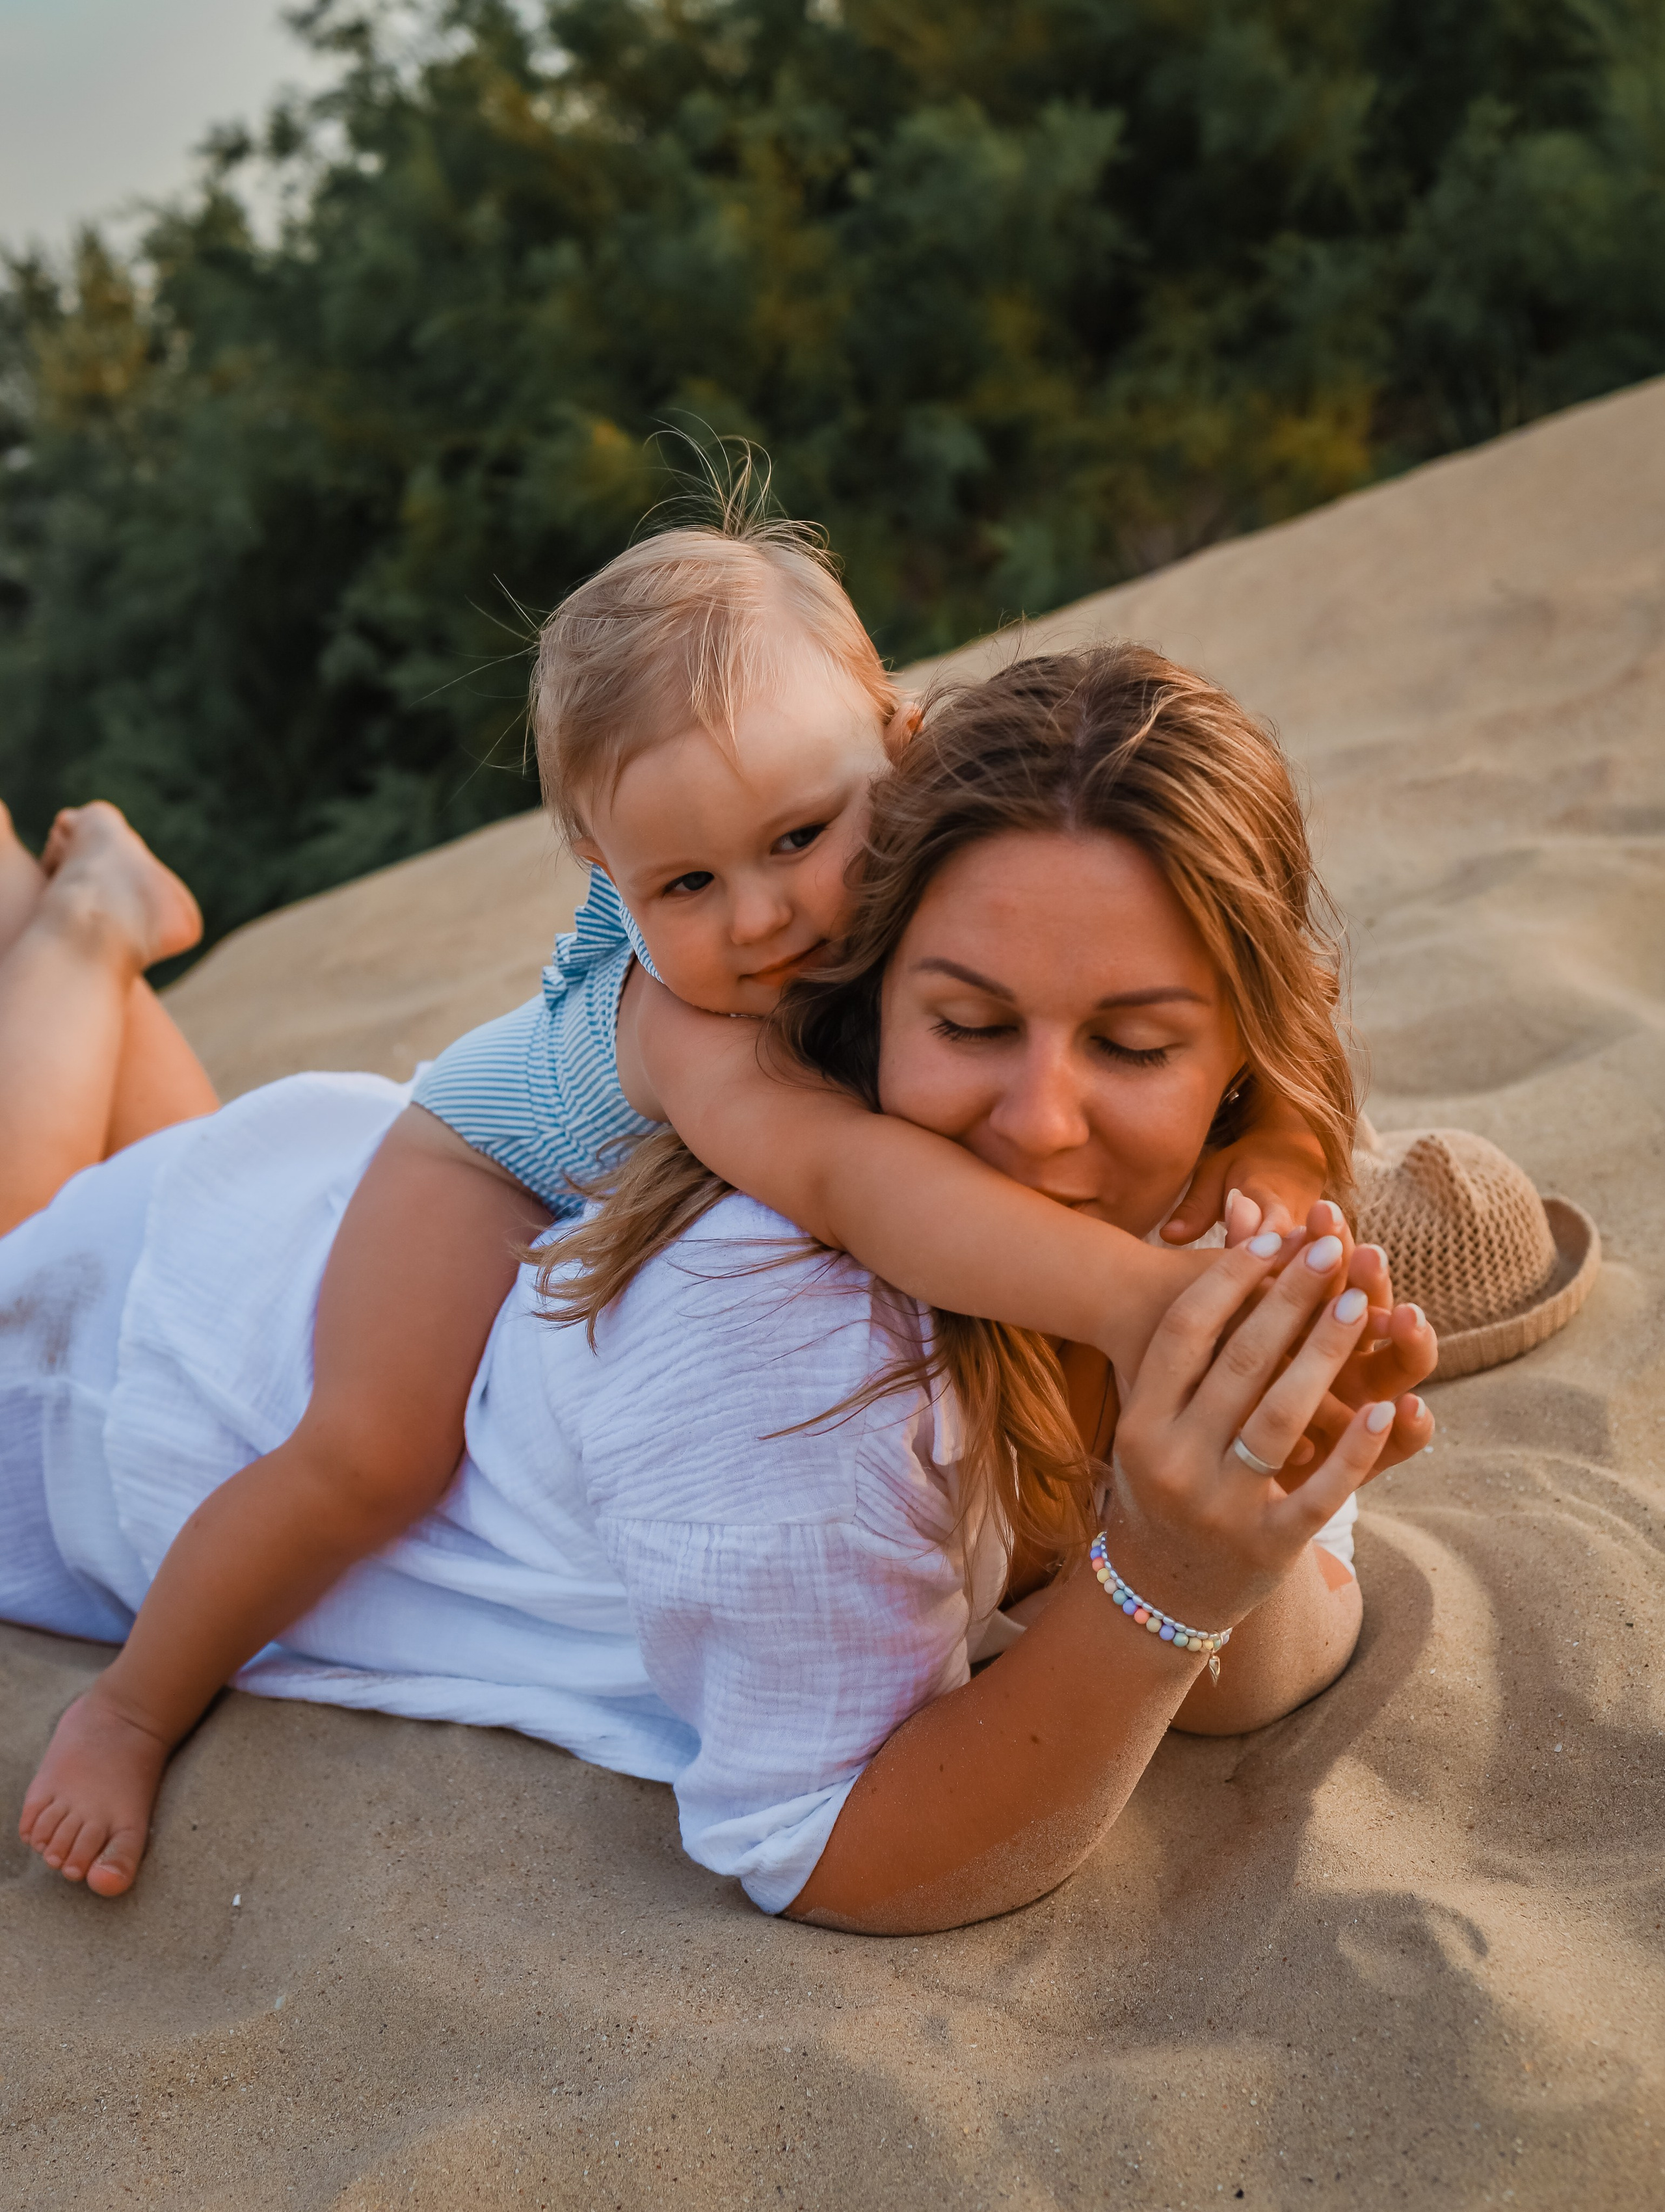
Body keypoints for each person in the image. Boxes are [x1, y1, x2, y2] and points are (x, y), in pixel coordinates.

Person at [5, 641, 1435, 1934]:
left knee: (159, 1162)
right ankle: (79, 932)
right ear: (868, 986)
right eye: (967, 1022)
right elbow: (834, 1852)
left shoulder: (1229, 1213)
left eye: (1132, 1048)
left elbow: (1259, 1662)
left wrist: (1240, 1521)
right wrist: (1161, 1578)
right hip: (148, 1386)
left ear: (1238, 1050)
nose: (1042, 1124)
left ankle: (78, 929)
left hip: (305, 1203)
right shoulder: (787, 1319)